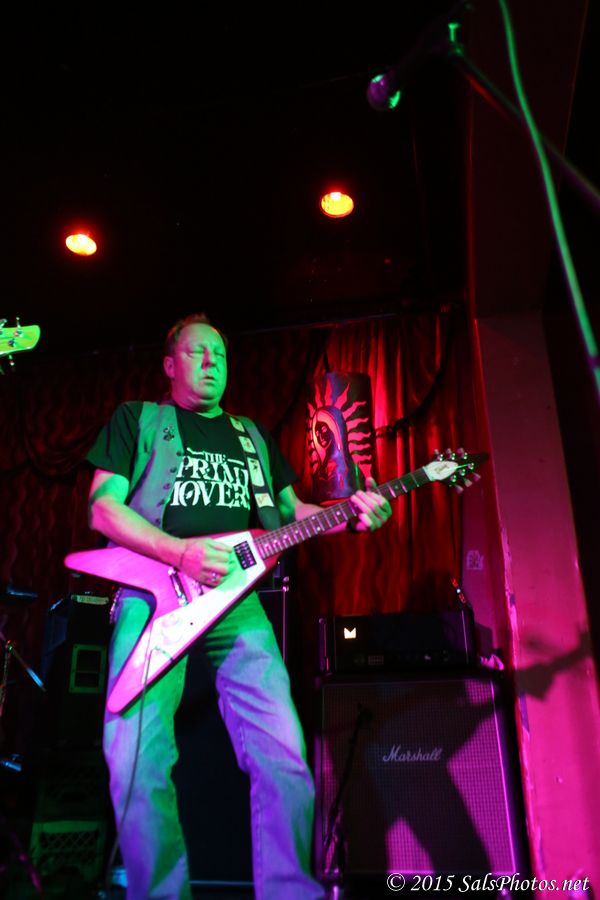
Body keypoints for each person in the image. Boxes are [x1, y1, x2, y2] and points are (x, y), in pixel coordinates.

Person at [85, 313, 392, 900]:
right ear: (169, 365)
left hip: (237, 603)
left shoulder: (252, 436)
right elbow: (103, 509)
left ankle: (289, 891)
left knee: (285, 753)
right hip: (153, 596)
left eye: (221, 356)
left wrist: (352, 517)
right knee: (136, 756)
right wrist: (178, 552)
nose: (211, 364)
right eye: (197, 353)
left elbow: (295, 514)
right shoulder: (138, 419)